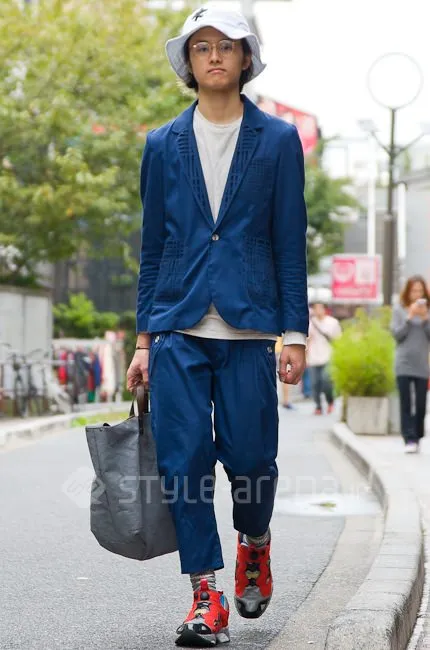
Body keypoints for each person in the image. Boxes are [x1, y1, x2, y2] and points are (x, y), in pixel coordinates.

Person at [126, 7, 308, 647]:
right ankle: (206, 596)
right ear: (188, 61)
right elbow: (153, 247)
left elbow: (289, 242)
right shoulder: (161, 144)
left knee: (253, 458)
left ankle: (254, 539)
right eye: (201, 46)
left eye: (225, 46)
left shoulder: (278, 141)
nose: (213, 56)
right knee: (184, 463)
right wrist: (143, 340)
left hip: (249, 327)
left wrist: (295, 332)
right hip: (176, 327)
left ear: (245, 58)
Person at [391, 275, 430, 454]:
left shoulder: (427, 311)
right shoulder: (399, 309)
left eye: (420, 291)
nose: (417, 294)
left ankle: (418, 435)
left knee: (421, 404)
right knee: (406, 402)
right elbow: (397, 335)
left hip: (422, 364)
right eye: (414, 291)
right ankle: (409, 438)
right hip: (404, 363)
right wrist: (410, 317)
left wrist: (425, 318)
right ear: (408, 292)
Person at [307, 302, 341, 415]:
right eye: (315, 308)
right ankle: (318, 406)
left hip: (328, 356)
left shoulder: (333, 322)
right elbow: (307, 341)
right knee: (315, 383)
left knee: (326, 381)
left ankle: (330, 401)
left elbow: (338, 340)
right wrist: (306, 357)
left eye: (319, 308)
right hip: (313, 357)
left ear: (325, 309)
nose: (317, 310)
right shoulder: (310, 323)